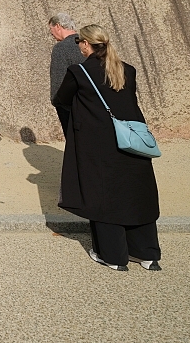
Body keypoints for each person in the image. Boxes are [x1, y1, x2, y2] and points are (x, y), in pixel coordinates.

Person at [53, 24, 161, 272]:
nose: (79, 45)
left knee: (103, 195)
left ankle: (113, 256)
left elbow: (61, 99)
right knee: (136, 193)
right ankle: (146, 254)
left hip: (98, 145)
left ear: (86, 44)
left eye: (80, 41)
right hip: (133, 140)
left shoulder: (79, 72)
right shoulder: (128, 70)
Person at [48, 13, 83, 138]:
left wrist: (55, 100)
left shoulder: (61, 48)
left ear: (58, 26)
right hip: (88, 101)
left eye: (51, 30)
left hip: (68, 104)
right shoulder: (86, 43)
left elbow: (58, 78)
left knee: (73, 139)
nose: (51, 34)